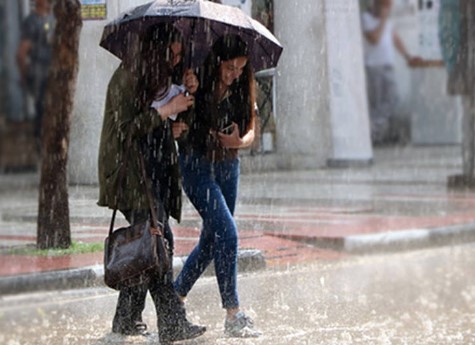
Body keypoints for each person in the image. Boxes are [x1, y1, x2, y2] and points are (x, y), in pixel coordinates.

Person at [97, 25, 205, 344]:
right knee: (157, 243)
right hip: (131, 176)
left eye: (178, 55)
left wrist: (189, 96)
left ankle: (127, 319)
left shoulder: (156, 79)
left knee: (150, 244)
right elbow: (126, 130)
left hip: (152, 173)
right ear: (153, 51)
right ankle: (171, 323)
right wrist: (165, 112)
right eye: (169, 54)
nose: (174, 61)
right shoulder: (127, 77)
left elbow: (164, 122)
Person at [174, 35, 262, 338]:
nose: (234, 74)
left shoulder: (243, 85)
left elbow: (252, 129)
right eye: (230, 67)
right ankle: (233, 313)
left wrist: (239, 141)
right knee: (228, 232)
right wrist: (194, 92)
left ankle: (175, 298)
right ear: (218, 62)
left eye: (240, 68)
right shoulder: (197, 78)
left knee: (213, 241)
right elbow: (182, 118)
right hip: (196, 165)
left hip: (228, 164)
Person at [361, 0, 420, 145]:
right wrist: (383, 20)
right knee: (379, 102)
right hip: (374, 66)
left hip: (387, 65)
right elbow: (374, 39)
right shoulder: (366, 18)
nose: (387, 9)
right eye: (385, 6)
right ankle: (372, 133)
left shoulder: (387, 21)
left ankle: (373, 129)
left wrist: (407, 56)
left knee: (392, 99)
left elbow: (394, 38)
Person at [439, 0, 475, 184]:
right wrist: (454, 65)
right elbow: (447, 31)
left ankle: (471, 168)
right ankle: (471, 169)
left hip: (465, 68)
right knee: (469, 117)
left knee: (469, 118)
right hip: (466, 69)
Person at [16, 0, 55, 151]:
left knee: (53, 113)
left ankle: (50, 148)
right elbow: (21, 53)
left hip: (54, 73)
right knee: (42, 112)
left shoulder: (54, 18)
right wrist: (25, 77)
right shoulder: (32, 22)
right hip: (40, 72)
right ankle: (42, 149)